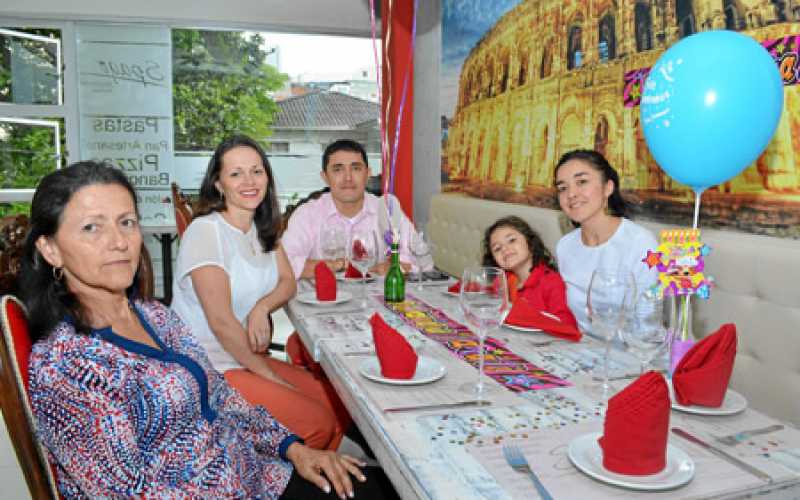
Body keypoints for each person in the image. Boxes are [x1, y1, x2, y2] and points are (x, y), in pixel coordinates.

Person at [20, 161, 392, 499]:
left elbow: (220, 394)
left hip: (260, 476)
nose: (119, 242)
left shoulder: (154, 316)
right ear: (50, 249)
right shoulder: (66, 365)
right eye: (91, 227)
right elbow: (127, 492)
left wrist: (293, 449)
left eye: (127, 222)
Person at [169, 135, 350, 451]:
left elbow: (287, 282)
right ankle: (268, 481)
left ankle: (322, 481)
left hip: (242, 355)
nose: (249, 181)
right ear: (218, 184)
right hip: (208, 365)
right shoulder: (206, 231)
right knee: (317, 422)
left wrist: (261, 308)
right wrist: (272, 378)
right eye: (236, 173)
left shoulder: (262, 227)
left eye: (257, 171)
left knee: (340, 406)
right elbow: (222, 323)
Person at [281, 139, 430, 367]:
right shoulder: (309, 214)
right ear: (325, 176)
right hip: (324, 321)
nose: (348, 178)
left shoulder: (387, 211)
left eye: (356, 168)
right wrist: (338, 265)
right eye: (338, 169)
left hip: (384, 319)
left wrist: (395, 265)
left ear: (368, 173)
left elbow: (424, 261)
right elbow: (284, 264)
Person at [553, 149, 657, 335]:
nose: (571, 194)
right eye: (563, 188)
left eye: (582, 182)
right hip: (583, 354)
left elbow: (648, 324)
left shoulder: (641, 244)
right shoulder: (565, 246)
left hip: (635, 355)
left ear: (608, 188)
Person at [482, 216, 577, 326]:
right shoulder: (502, 281)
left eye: (511, 240)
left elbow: (567, 326)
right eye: (497, 248)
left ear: (530, 242)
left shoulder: (551, 282)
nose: (504, 249)